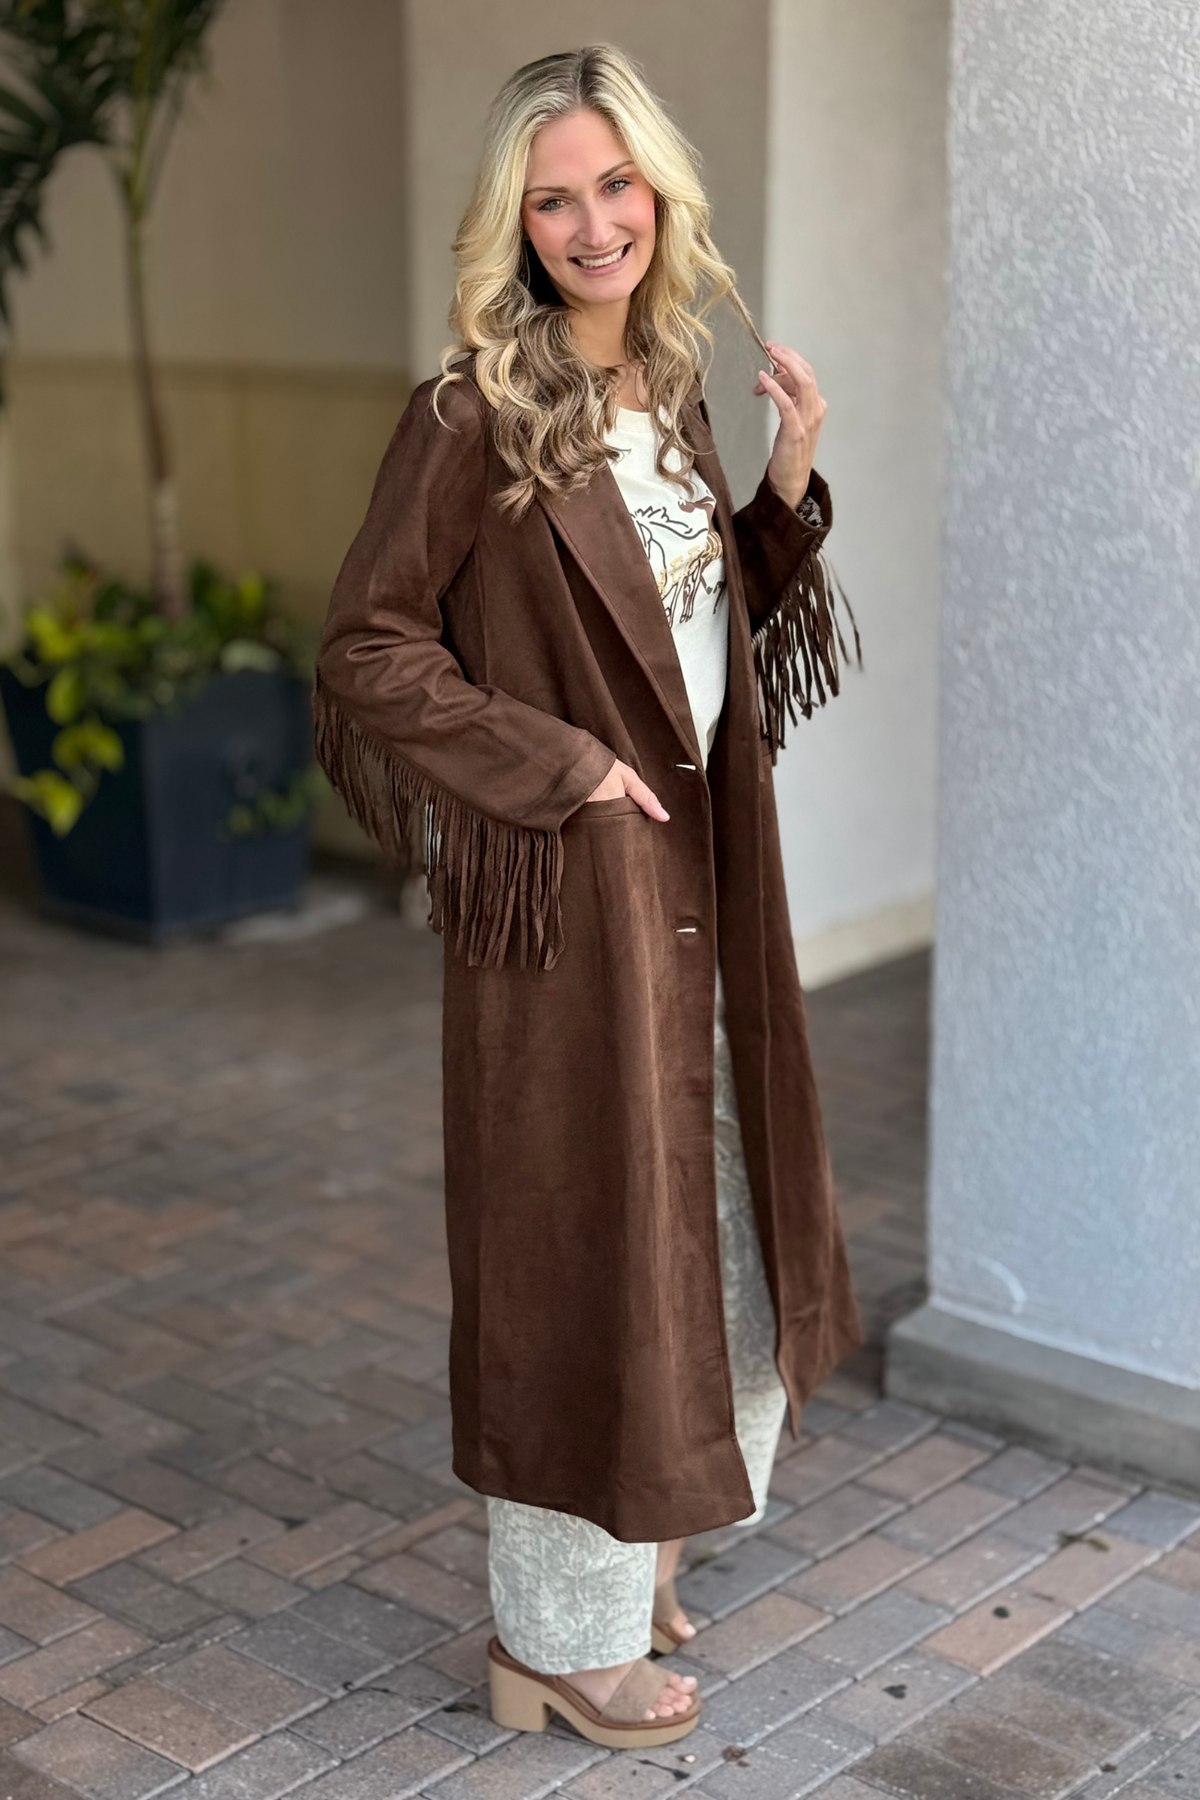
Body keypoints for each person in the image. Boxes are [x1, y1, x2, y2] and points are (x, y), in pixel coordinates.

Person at [314, 43, 864, 1752]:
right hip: (574, 904)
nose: (592, 222)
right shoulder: (467, 414)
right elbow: (368, 651)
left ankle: (645, 1545)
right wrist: (559, 768)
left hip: (710, 878)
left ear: (661, 193)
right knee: (581, 1252)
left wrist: (783, 484)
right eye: (553, 197)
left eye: (615, 185)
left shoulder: (676, 387)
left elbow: (691, 636)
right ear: (513, 220)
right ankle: (556, 1642)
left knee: (727, 1232)